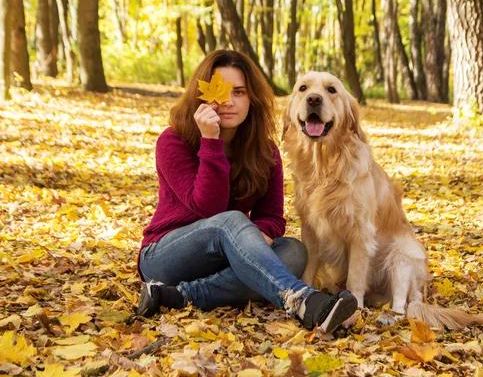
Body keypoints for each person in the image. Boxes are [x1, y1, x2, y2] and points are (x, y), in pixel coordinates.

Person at [136, 50, 357, 333]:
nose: (228, 101)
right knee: (230, 220)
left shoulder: (266, 152)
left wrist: (258, 234)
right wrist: (210, 141)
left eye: (239, 92)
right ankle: (304, 301)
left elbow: (273, 217)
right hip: (165, 257)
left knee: (293, 252)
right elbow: (208, 209)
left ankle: (177, 296)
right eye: (219, 92)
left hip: (230, 257)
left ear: (252, 98)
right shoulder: (173, 141)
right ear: (200, 96)